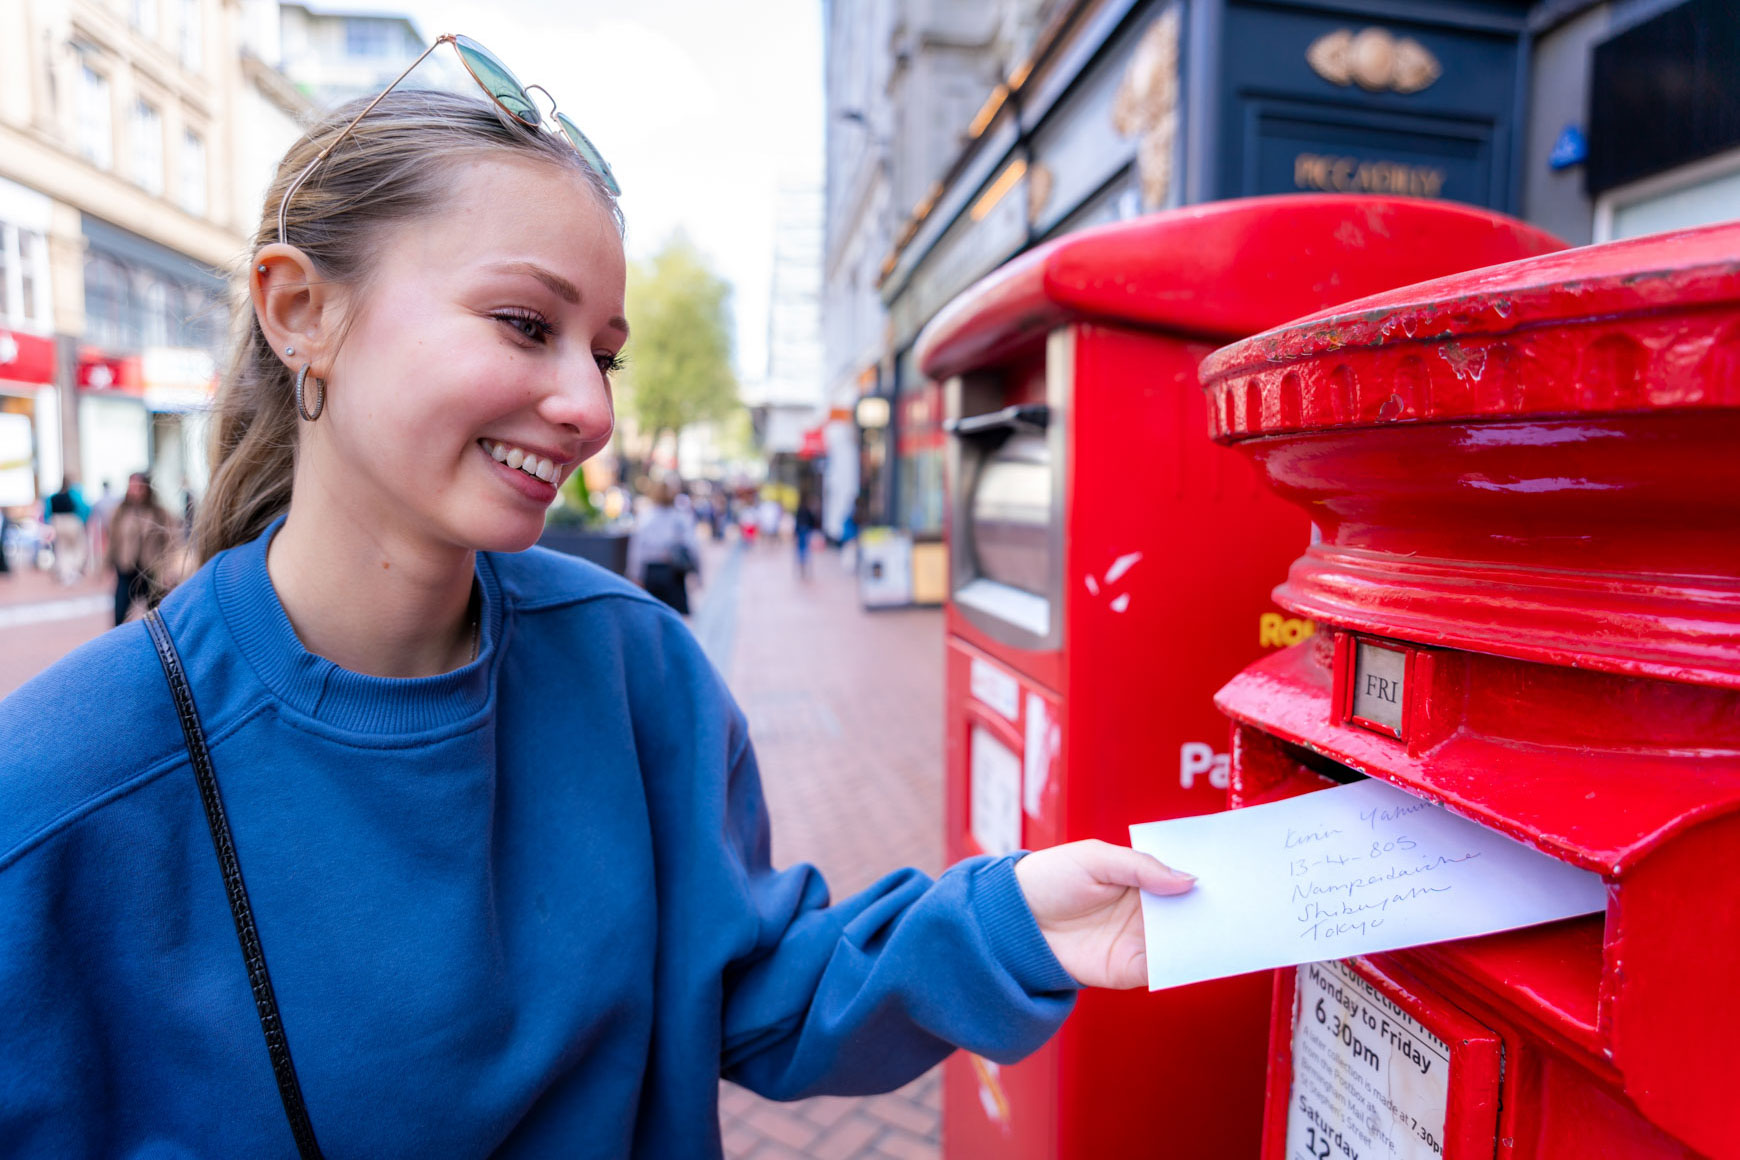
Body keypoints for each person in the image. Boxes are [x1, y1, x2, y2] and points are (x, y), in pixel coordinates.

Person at [0, 61, 1192, 1158]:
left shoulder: (637, 666)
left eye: (605, 353)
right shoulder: (59, 789)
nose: (589, 407)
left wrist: (1009, 927)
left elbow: (751, 985)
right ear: (300, 308)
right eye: (527, 324)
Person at [107, 471, 179, 625]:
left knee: (157, 616)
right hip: (126, 569)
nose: (135, 491)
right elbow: (113, 540)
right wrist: (107, 564)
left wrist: (168, 570)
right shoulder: (120, 512)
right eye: (132, 487)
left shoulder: (159, 512)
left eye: (139, 487)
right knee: (119, 613)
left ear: (146, 488)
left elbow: (172, 542)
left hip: (151, 570)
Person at [625, 474, 701, 614]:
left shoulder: (646, 517)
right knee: (674, 614)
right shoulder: (680, 517)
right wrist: (697, 572)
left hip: (652, 571)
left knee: (653, 612)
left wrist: (635, 574)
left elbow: (637, 549)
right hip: (673, 571)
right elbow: (692, 545)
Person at [42, 474, 89, 584]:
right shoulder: (74, 495)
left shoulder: (53, 497)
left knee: (62, 550)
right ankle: (73, 571)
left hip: (57, 523)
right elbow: (84, 508)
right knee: (77, 548)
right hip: (72, 522)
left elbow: (47, 513)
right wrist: (83, 521)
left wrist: (50, 523)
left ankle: (65, 574)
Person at [793, 496, 818, 579]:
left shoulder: (800, 510)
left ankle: (802, 565)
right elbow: (812, 520)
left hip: (801, 530)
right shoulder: (807, 510)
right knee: (805, 549)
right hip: (805, 531)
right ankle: (804, 564)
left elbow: (797, 521)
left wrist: (796, 532)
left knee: (801, 549)